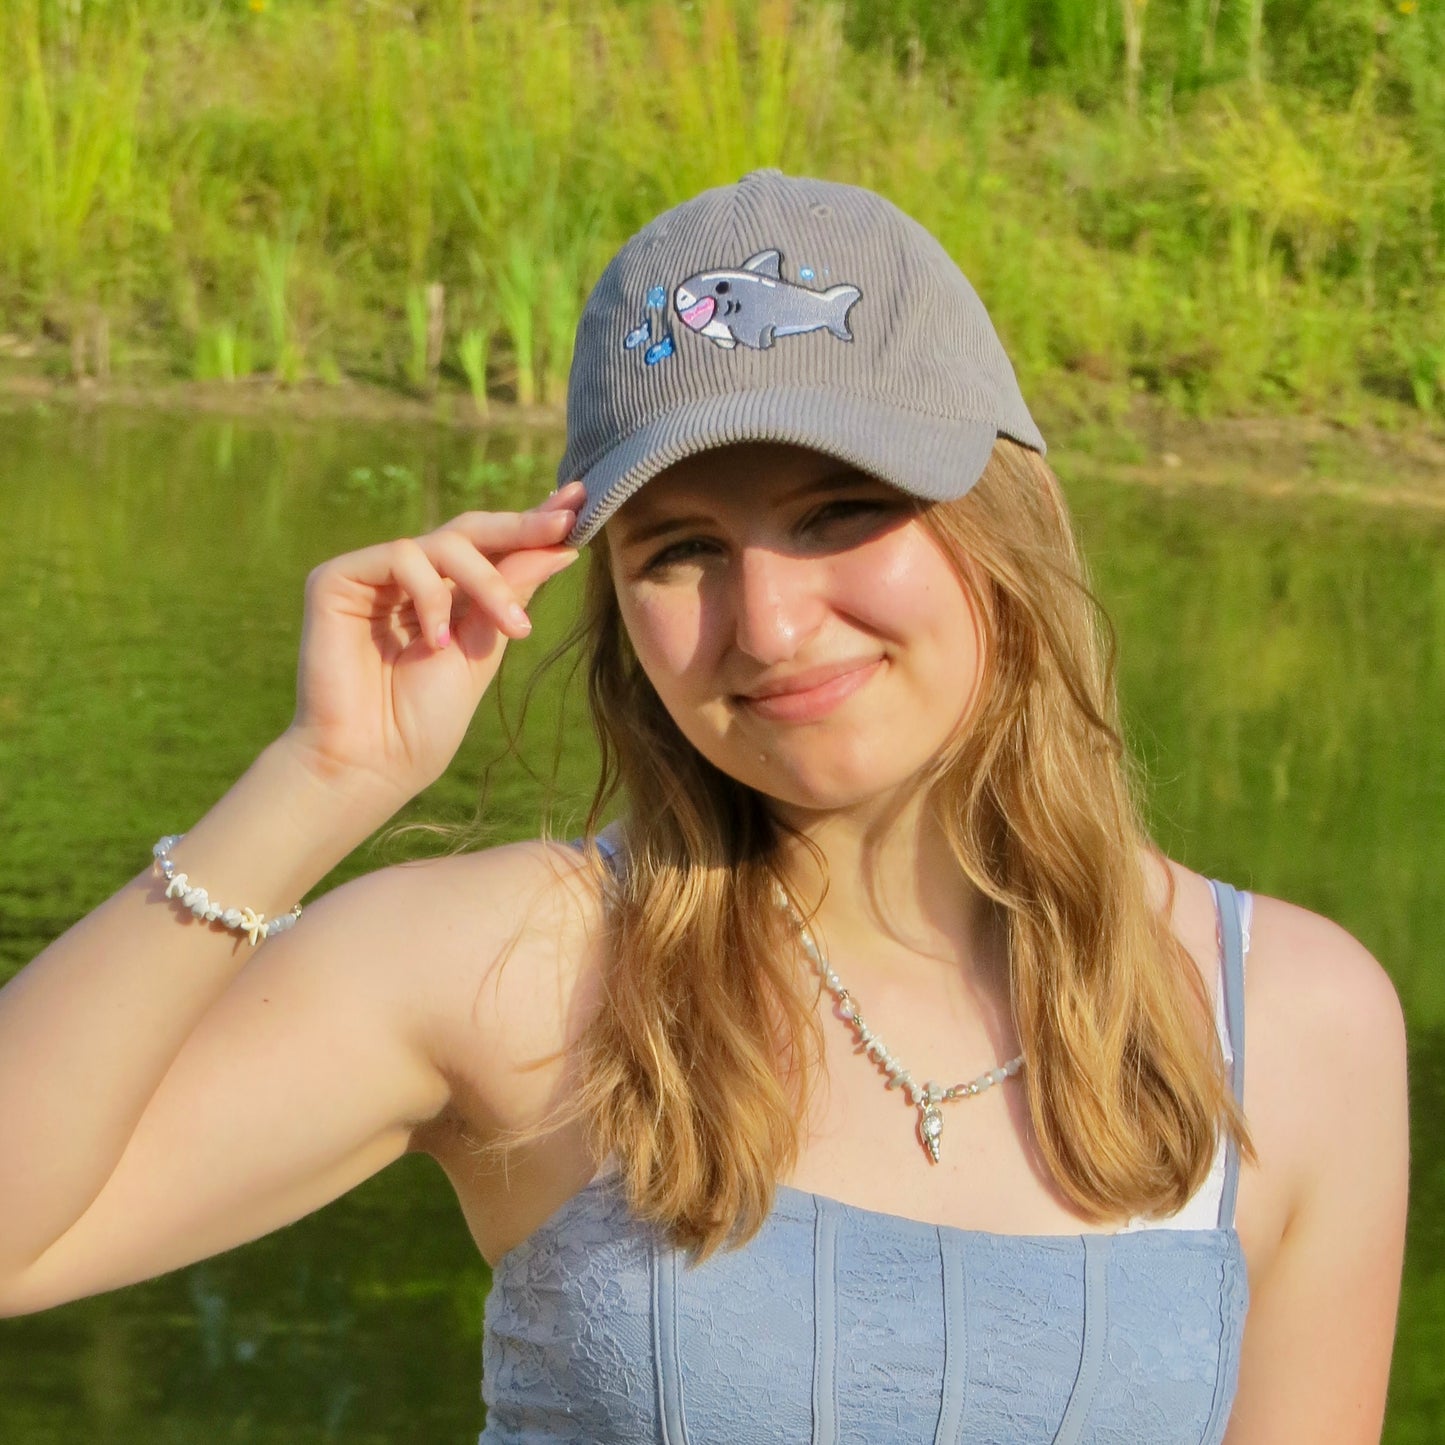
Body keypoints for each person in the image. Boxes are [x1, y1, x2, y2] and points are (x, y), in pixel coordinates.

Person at [0, 171, 1408, 1442]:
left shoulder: (1287, 1015)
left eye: (838, 510)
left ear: (1000, 519)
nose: (771, 621)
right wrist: (317, 782)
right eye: (682, 549)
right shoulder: (519, 966)